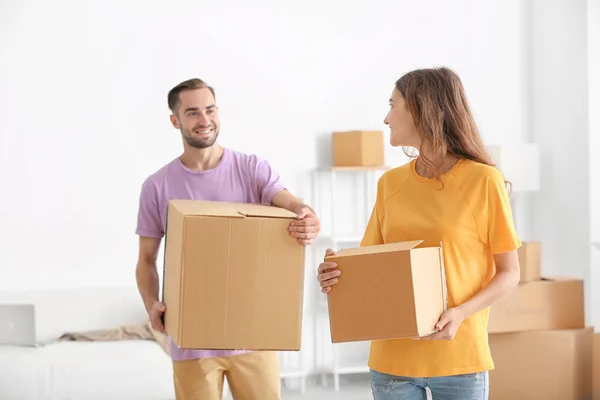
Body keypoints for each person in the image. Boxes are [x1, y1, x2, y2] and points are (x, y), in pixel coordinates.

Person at [317, 67, 521, 400]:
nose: (386, 119)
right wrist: (335, 274)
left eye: (392, 105)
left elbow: (510, 273)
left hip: (460, 358)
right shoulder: (390, 183)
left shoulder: (484, 181)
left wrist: (460, 314)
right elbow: (371, 266)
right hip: (391, 362)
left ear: (421, 109)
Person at [135, 78, 320, 400]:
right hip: (192, 342)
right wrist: (152, 305)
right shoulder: (157, 185)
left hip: (252, 335)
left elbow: (287, 200)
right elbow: (146, 260)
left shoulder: (250, 168)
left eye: (210, 110)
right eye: (192, 113)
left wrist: (305, 213)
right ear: (175, 121)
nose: (204, 120)